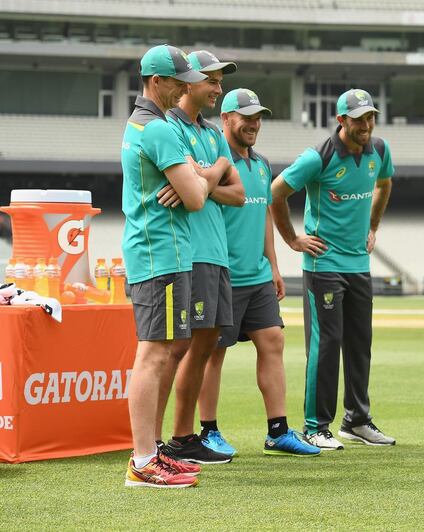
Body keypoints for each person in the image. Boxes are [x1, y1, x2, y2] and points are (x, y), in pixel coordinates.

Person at [197, 88, 320, 457]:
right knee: (211, 353)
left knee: (273, 342)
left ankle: (278, 431)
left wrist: (274, 267)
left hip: (257, 276)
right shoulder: (213, 161)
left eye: (258, 117)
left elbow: (264, 215)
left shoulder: (262, 164)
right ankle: (207, 432)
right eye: (246, 116)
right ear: (226, 119)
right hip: (222, 274)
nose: (254, 123)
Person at [270, 88, 395, 450]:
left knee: (360, 343)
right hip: (323, 263)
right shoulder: (318, 158)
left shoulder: (380, 152)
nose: (366, 126)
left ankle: (357, 420)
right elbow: (276, 192)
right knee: (327, 343)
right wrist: (293, 239)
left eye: (371, 118)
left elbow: (384, 184)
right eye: (358, 120)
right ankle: (315, 425)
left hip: (358, 262)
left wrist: (373, 226)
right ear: (341, 121)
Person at [121, 44, 220, 488]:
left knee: (162, 352)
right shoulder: (158, 130)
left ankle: (151, 452)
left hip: (164, 252)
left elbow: (198, 185)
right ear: (156, 82)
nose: (185, 88)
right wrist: (196, 179)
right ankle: (143, 461)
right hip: (161, 253)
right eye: (178, 82)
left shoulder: (143, 124)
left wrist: (198, 175)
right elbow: (198, 198)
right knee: (154, 354)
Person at [159, 50, 243, 464]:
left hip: (216, 253)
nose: (218, 88)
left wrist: (207, 174)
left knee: (204, 344)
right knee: (175, 347)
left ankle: (182, 438)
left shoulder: (212, 135)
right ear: (189, 81)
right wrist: (217, 171)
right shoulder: (168, 127)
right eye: (212, 80)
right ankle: (153, 442)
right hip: (187, 252)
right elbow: (198, 184)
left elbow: (239, 194)